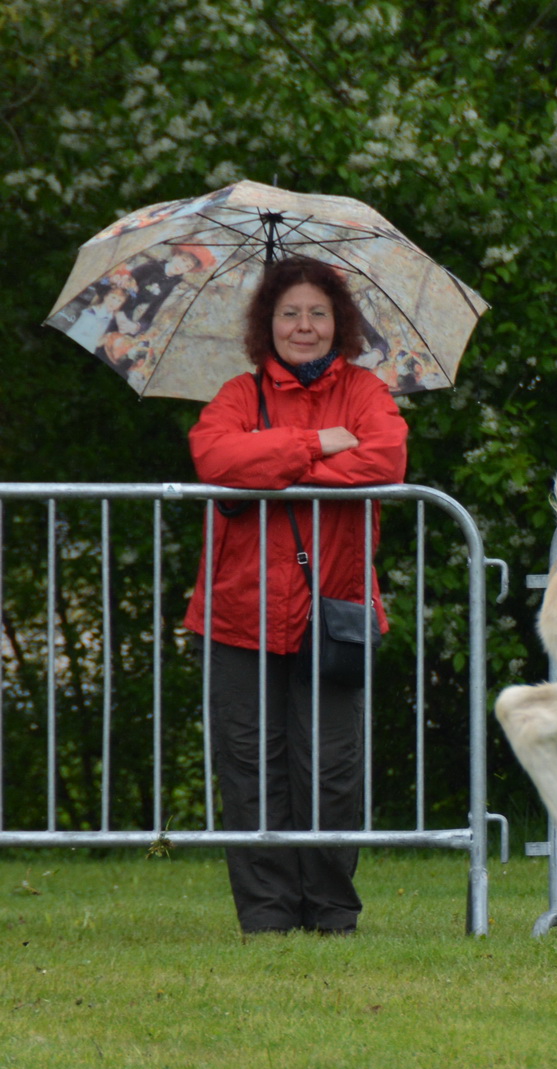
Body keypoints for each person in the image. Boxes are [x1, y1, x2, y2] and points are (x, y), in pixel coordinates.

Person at [184, 255, 408, 935]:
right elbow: (214, 458)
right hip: (238, 610)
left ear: (339, 322)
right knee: (249, 767)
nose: (303, 326)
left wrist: (275, 462)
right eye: (289, 313)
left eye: (317, 313)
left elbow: (385, 458)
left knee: (332, 769)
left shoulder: (366, 391)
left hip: (332, 610)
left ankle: (332, 912)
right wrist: (316, 444)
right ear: (268, 322)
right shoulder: (237, 394)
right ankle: (267, 915)